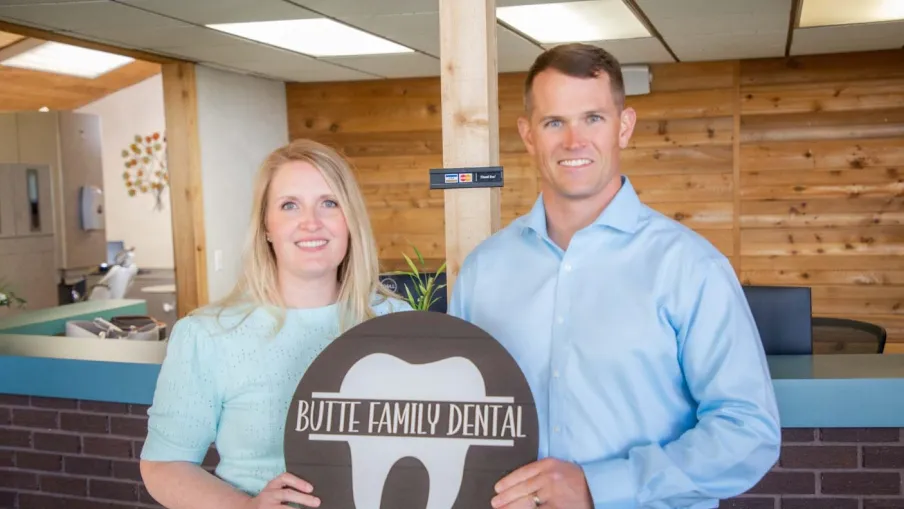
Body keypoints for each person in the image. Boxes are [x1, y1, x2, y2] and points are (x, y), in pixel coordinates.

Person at [447, 43, 781, 509]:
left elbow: (748, 432)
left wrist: (598, 485)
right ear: (528, 135)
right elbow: (452, 413)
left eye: (593, 118)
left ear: (624, 127)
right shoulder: (484, 270)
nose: (573, 141)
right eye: (554, 122)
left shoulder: (689, 267)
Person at [139, 139, 412, 508]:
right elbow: (164, 464)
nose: (311, 222)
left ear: (351, 221)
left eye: (329, 203)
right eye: (289, 205)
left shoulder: (395, 321)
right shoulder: (208, 335)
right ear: (266, 226)